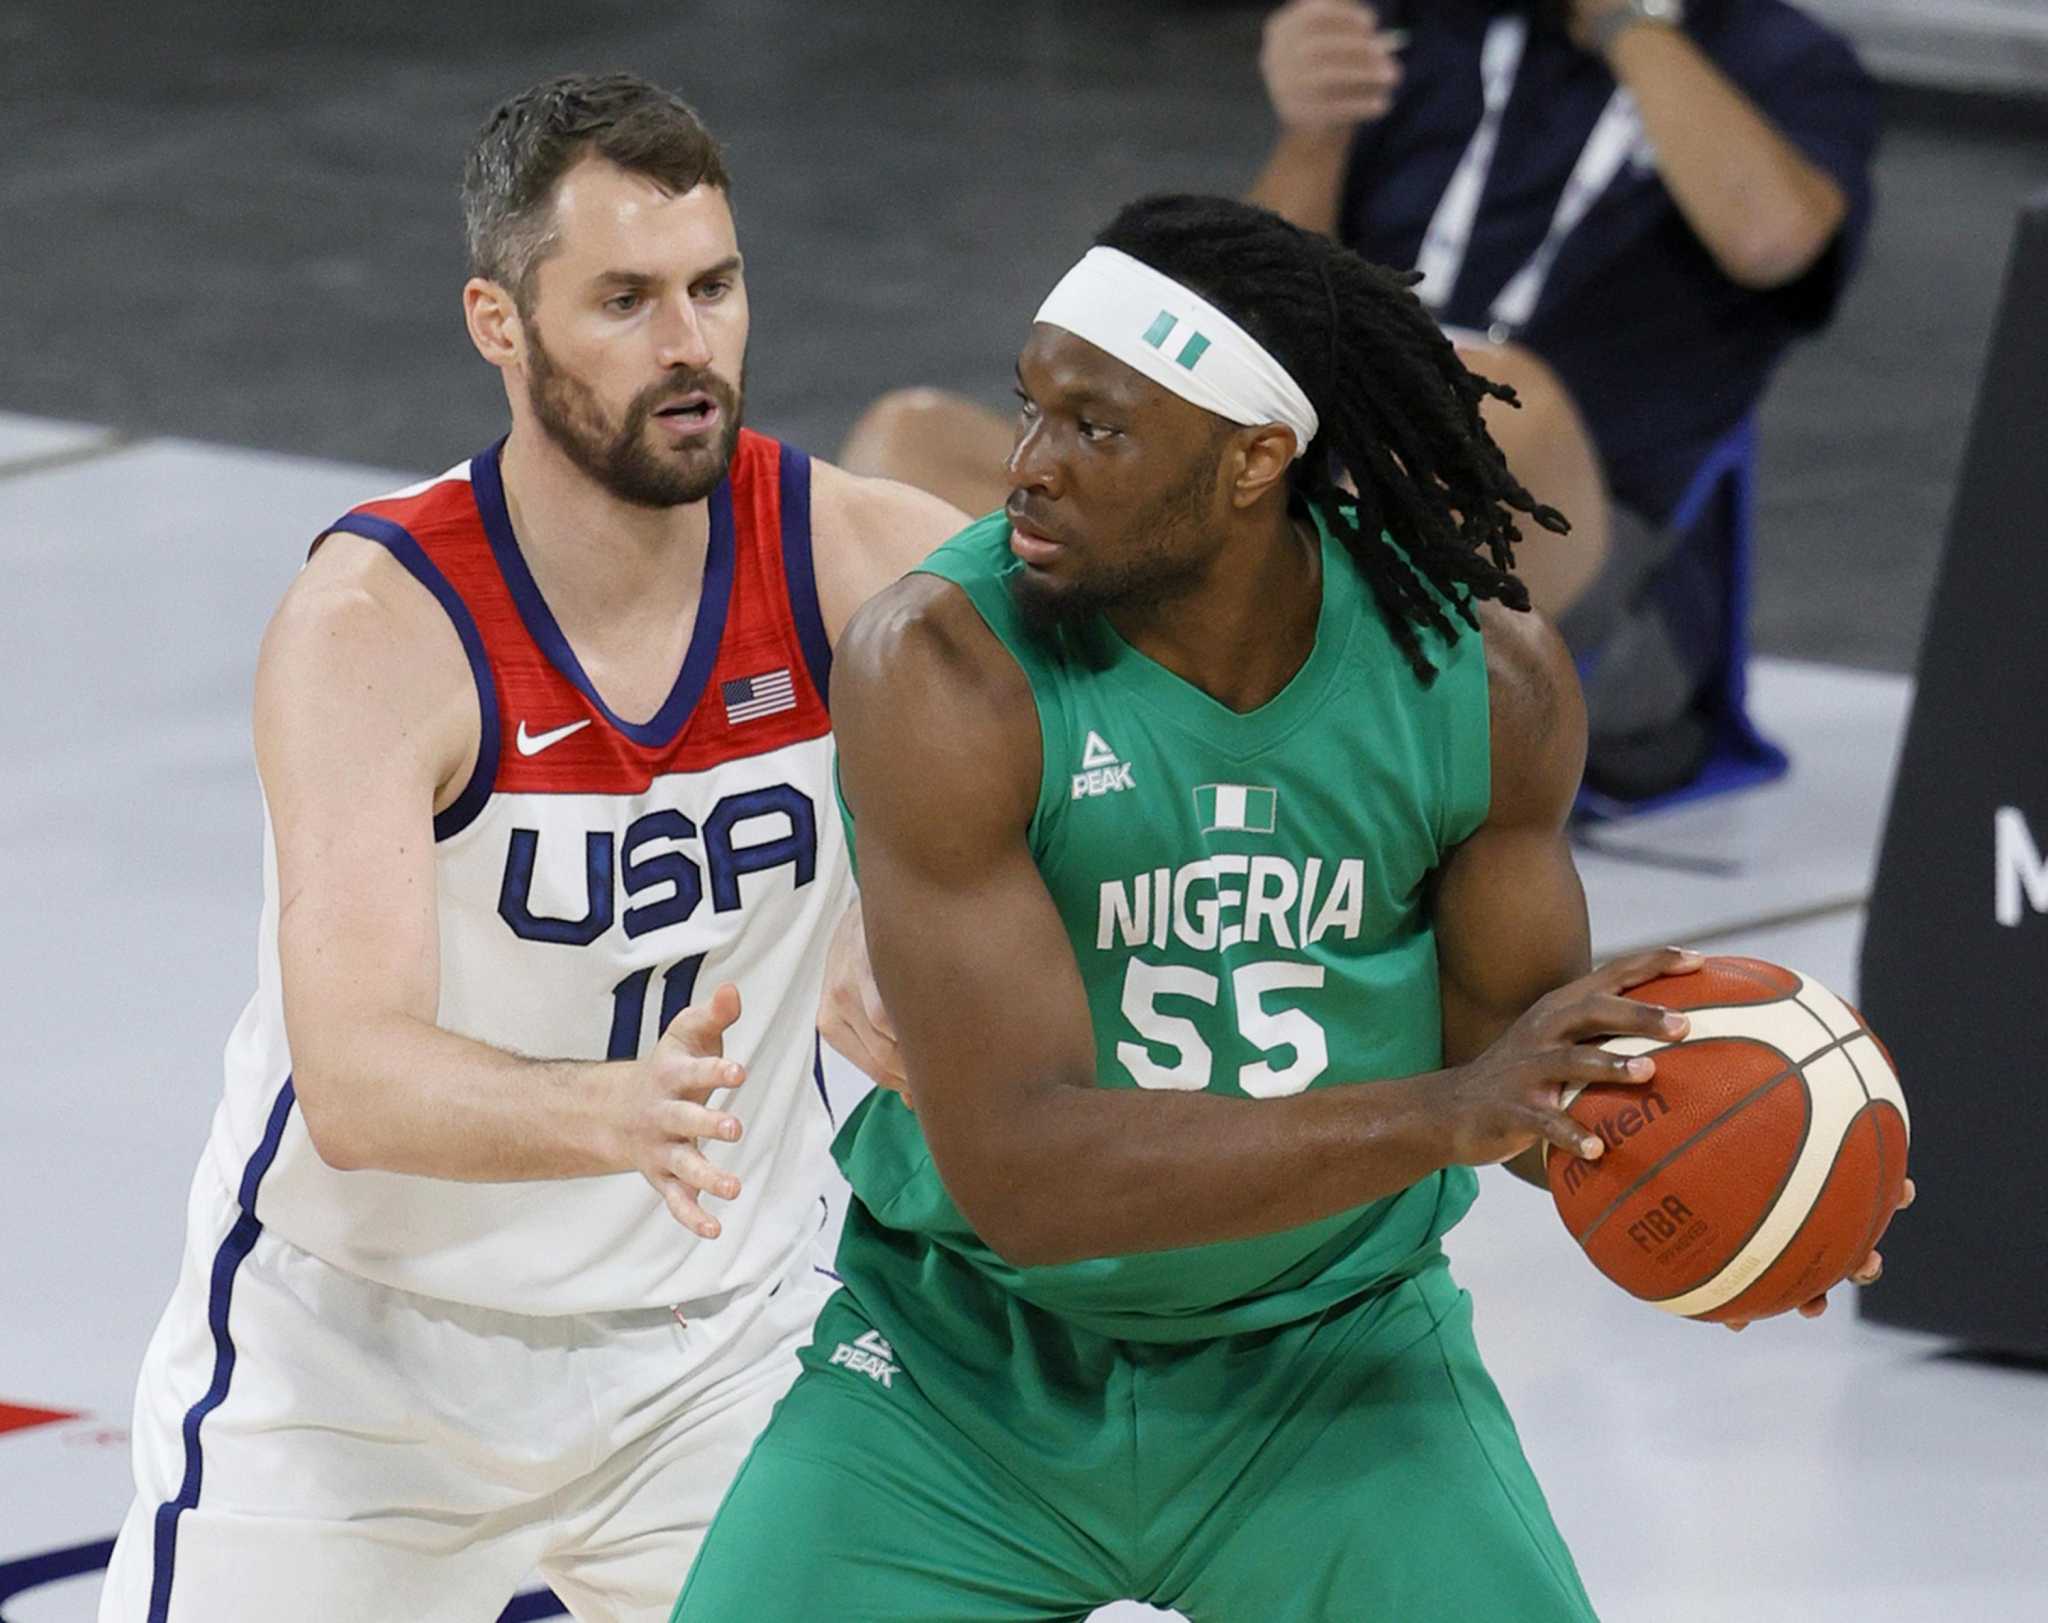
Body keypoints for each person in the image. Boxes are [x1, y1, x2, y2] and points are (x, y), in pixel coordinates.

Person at [675, 195, 1902, 1622]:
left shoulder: (1482, 680)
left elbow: (1523, 1079)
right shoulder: (944, 665)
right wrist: (1448, 1109)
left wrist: (1772, 1167)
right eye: (1031, 409)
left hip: (1331, 1365)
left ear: (1257, 456)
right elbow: (1027, 1174)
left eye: (1098, 428)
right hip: (965, 1369)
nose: (1026, 470)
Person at [99, 73, 960, 1623]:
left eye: (714, 285)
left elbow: (1138, 706)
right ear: (498, 321)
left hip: (717, 1350)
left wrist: (891, 899)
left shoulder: (849, 552)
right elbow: (352, 1074)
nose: (688, 343)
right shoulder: (377, 627)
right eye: (625, 299)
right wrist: (607, 1112)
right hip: (364, 1361)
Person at [841, 0, 1877, 799]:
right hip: (1299, 500)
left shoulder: (1781, 61)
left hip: (1579, 585)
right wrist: (1315, 129)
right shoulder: (1429, 29)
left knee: (1484, 395)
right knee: (909, 442)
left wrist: (1616, 19)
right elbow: (1220, 322)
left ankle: (1244, 739)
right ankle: (1074, 748)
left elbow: (1770, 235)